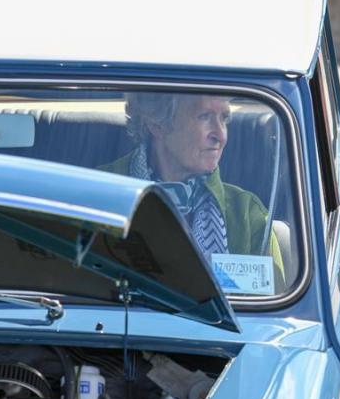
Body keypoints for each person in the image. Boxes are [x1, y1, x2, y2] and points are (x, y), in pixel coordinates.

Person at [101, 93, 284, 288]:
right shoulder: (98, 194)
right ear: (156, 124)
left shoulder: (248, 215)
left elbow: (274, 304)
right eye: (204, 116)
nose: (220, 136)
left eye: (224, 119)